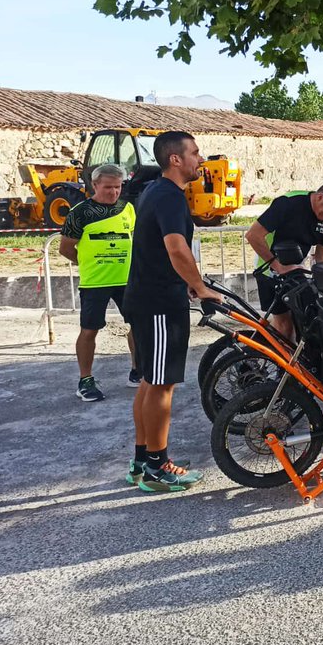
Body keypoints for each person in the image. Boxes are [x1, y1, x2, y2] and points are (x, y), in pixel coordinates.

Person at [124, 132, 222, 493]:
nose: (201, 159)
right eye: (195, 153)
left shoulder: (154, 191)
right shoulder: (169, 197)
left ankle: (141, 460)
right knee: (162, 384)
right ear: (175, 160)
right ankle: (158, 465)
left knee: (150, 380)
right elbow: (177, 249)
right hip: (159, 304)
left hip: (146, 298)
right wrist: (199, 286)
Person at [59, 164, 139, 401]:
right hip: (95, 283)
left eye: (118, 187)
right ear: (94, 185)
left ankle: (137, 370)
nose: (113, 192)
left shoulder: (128, 209)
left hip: (126, 281)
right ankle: (85, 380)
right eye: (107, 187)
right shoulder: (80, 212)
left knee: (138, 324)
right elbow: (65, 248)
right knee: (89, 330)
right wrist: (89, 264)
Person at [245, 181, 323, 340]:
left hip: (295, 268)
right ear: (320, 197)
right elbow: (253, 235)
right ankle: (263, 359)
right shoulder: (288, 203)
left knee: (305, 323)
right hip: (270, 267)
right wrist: (277, 265)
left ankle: (272, 355)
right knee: (285, 326)